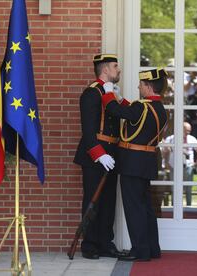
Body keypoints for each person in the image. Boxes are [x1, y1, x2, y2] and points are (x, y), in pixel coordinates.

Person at [101, 68, 168, 261]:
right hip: (146, 163)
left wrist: (108, 93)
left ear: (148, 86)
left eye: (141, 84)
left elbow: (116, 110)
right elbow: (131, 113)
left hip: (132, 163)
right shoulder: (158, 108)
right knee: (146, 208)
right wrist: (120, 98)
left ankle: (140, 250)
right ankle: (152, 248)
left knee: (134, 209)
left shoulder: (142, 107)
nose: (138, 86)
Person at [73, 54, 128, 260]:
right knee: (93, 201)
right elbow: (88, 131)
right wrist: (99, 155)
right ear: (105, 70)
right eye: (115, 66)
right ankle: (90, 244)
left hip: (112, 152)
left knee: (108, 201)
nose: (119, 69)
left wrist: (119, 100)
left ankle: (106, 242)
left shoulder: (111, 93)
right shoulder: (92, 93)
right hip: (95, 155)